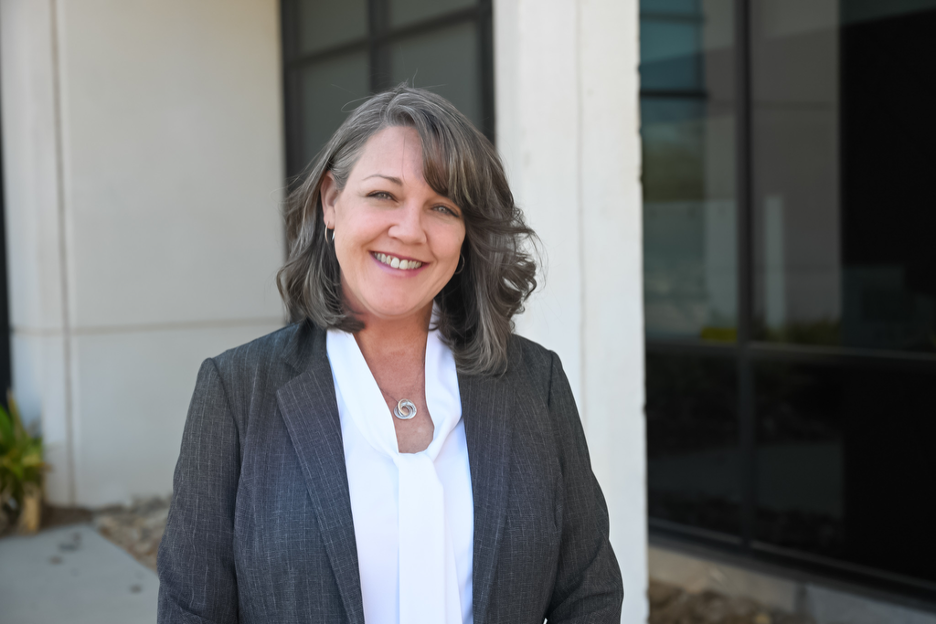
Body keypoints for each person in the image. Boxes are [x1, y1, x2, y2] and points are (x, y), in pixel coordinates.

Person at [157, 85, 623, 624]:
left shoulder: (535, 382)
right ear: (332, 201)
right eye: (383, 195)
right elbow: (193, 611)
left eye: (442, 207)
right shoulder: (236, 391)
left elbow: (588, 593)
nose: (409, 230)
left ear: (466, 233)